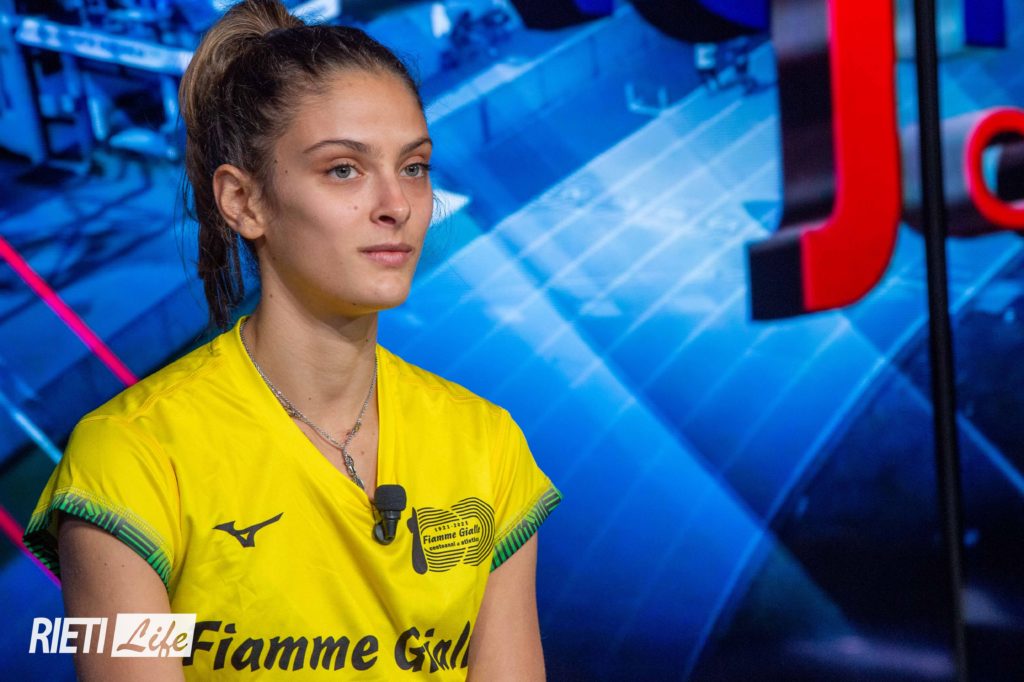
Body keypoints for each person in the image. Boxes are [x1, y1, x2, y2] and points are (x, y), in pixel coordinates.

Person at [22, 0, 561, 679]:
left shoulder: (487, 445)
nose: (396, 205)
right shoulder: (131, 460)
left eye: (414, 167)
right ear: (243, 202)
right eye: (343, 169)